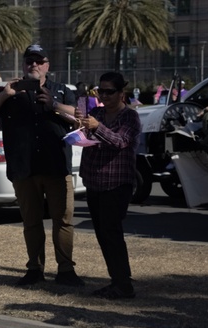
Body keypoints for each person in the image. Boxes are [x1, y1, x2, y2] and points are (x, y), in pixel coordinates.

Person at [0, 44, 84, 287]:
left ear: (48, 65)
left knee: (63, 220)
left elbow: (79, 117)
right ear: (24, 64)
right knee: (31, 221)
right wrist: (6, 93)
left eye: (39, 61)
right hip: (24, 169)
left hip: (56, 167)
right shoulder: (10, 92)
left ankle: (66, 270)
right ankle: (34, 269)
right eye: (29, 61)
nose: (34, 65)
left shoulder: (60, 91)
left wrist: (54, 105)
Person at [78, 72, 141, 299]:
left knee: (112, 233)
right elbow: (89, 138)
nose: (104, 95)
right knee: (103, 235)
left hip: (116, 184)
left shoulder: (129, 117)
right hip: (94, 182)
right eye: (100, 91)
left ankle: (123, 284)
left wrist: (97, 128)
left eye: (109, 91)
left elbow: (119, 141)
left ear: (121, 93)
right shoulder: (96, 112)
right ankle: (117, 280)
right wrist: (81, 130)